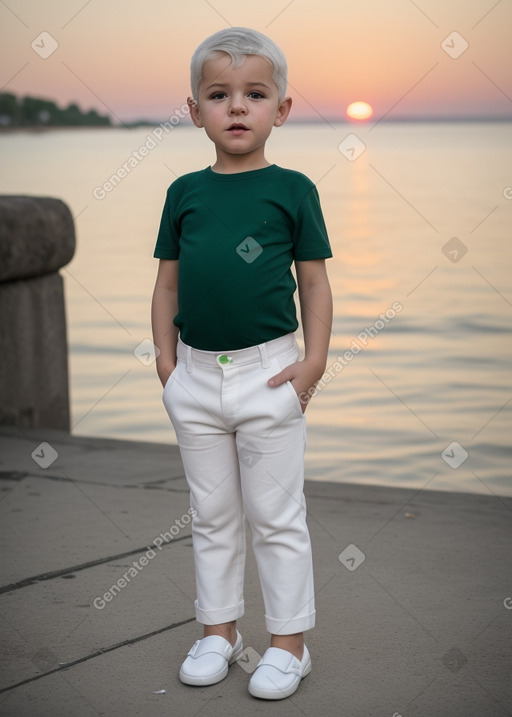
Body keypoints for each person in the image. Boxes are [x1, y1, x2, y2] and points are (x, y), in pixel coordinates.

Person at [151, 26, 333, 700]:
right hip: (194, 377)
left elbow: (312, 283)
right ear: (196, 109)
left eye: (254, 94)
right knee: (211, 514)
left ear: (280, 109)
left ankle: (290, 645)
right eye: (219, 94)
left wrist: (312, 362)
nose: (236, 107)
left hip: (269, 374)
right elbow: (168, 283)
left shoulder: (292, 190)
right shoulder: (184, 193)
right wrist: (168, 365)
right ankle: (218, 632)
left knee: (277, 514)